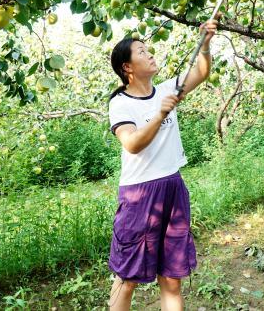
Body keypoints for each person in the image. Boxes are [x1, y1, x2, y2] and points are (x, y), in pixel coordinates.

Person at [107, 19, 218, 311]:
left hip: (172, 186)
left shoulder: (167, 89)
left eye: (148, 50)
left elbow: (202, 72)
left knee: (171, 278)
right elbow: (131, 143)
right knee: (127, 276)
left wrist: (205, 44)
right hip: (140, 195)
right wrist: (159, 115)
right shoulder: (120, 103)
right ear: (127, 67)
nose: (150, 54)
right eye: (141, 52)